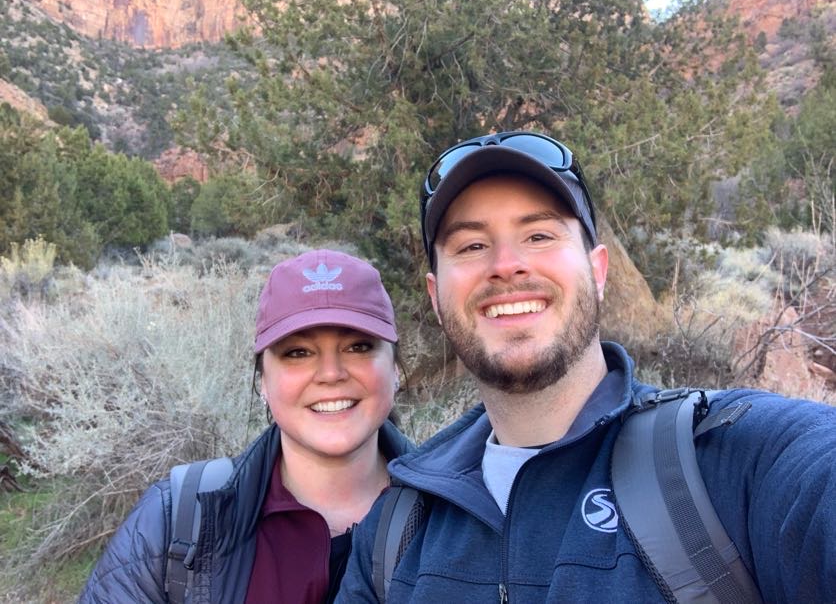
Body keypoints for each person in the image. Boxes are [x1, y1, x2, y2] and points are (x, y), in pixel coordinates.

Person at [336, 132, 836, 602]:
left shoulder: (734, 460)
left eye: (538, 235)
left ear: (598, 272)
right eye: (471, 246)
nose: (506, 264)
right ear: (436, 297)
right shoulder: (395, 531)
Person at [79, 249, 412, 603]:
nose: (331, 373)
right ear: (262, 382)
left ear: (394, 369)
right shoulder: (175, 520)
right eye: (298, 352)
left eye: (358, 346)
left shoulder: (456, 517)